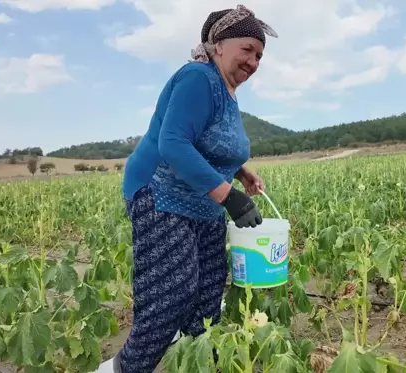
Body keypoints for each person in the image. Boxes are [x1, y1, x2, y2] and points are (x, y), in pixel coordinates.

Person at [111, 5, 278, 373]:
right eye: (247, 49)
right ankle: (123, 367)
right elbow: (174, 143)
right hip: (161, 196)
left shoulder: (228, 91)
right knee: (171, 294)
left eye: (259, 55)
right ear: (219, 45)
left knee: (207, 295)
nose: (253, 61)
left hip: (203, 206)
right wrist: (228, 196)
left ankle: (194, 359)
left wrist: (240, 173)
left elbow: (211, 144)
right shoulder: (197, 78)